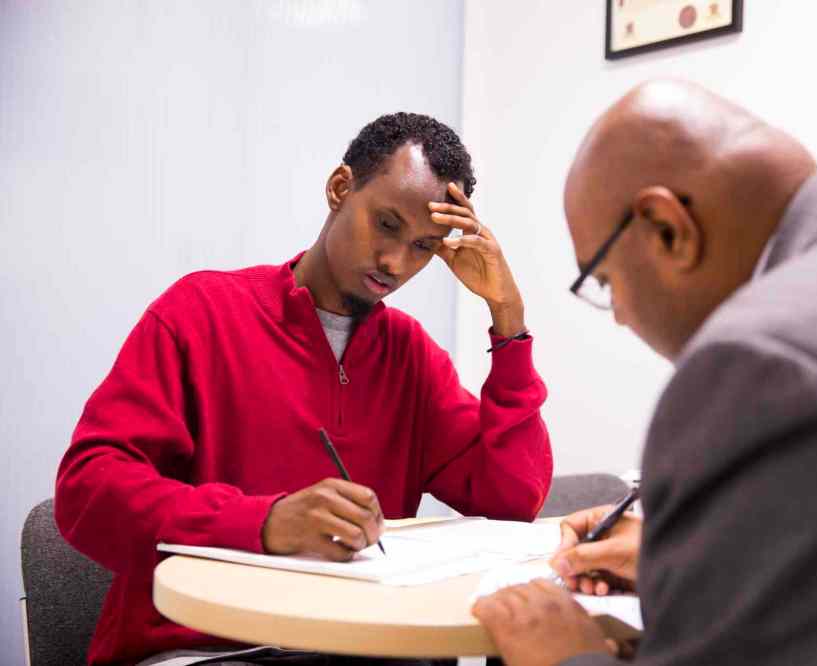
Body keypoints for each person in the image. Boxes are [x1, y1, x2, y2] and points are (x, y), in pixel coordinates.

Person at [472, 79, 817, 665]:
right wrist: (711, 569)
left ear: (669, 229)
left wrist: (567, 656)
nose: (619, 314)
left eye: (605, 281)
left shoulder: (766, 365)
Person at [55, 112, 553, 666]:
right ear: (340, 189)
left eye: (423, 247)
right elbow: (88, 492)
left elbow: (512, 499)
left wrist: (509, 320)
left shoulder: (409, 356)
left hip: (362, 646)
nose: (395, 262)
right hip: (201, 649)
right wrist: (262, 523)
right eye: (387, 225)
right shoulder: (200, 313)